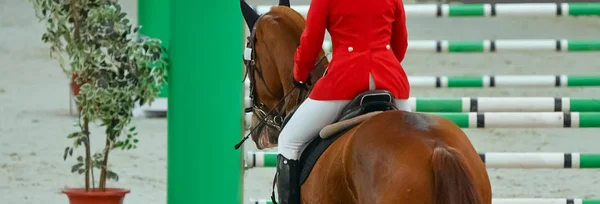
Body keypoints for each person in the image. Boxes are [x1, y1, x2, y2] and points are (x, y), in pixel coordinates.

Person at [275, 0, 411, 203]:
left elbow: (311, 43)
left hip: (345, 81)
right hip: (392, 82)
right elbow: (400, 44)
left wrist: (299, 75)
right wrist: (383, 64)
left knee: (288, 140)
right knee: (412, 141)